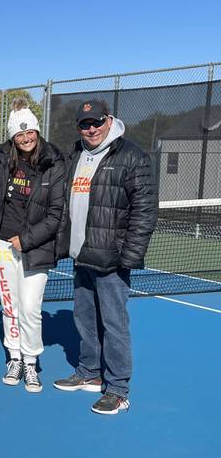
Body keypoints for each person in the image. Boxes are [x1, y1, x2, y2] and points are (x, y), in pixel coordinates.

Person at [53, 99, 157, 415]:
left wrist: (130, 256)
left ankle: (118, 389)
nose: (91, 129)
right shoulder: (76, 155)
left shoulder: (132, 157)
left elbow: (145, 209)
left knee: (114, 324)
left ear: (109, 120)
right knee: (83, 318)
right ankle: (89, 372)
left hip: (112, 258)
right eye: (85, 124)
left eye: (96, 122)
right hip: (81, 254)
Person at [0, 99, 65, 392]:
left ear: (37, 130)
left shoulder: (54, 164)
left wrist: (27, 239)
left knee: (30, 308)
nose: (26, 138)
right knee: (10, 306)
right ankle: (15, 357)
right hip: (4, 247)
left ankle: (31, 363)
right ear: (12, 137)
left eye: (29, 132)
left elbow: (56, 214)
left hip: (37, 248)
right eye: (19, 134)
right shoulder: (2, 161)